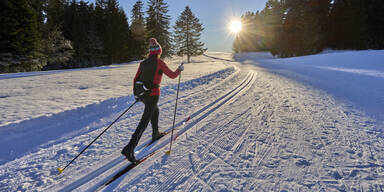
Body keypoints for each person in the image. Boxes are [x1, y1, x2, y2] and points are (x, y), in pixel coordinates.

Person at [121, 38, 184, 163]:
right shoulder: (159, 63)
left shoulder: (143, 63)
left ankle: (155, 133)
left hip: (143, 94)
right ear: (159, 51)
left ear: (150, 52)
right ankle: (129, 148)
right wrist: (179, 70)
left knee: (155, 110)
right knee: (144, 121)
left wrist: (136, 94)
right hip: (153, 94)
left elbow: (135, 79)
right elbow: (172, 75)